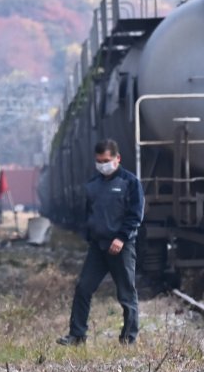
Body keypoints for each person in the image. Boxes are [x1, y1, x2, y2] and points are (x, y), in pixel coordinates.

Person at [57, 138, 144, 346]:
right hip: (98, 247)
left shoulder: (130, 183)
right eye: (99, 161)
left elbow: (135, 215)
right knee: (83, 288)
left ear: (117, 158)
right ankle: (77, 335)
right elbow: (88, 214)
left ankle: (128, 338)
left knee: (126, 293)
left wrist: (122, 238)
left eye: (106, 160)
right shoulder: (93, 185)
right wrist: (90, 237)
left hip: (121, 247)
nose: (102, 165)